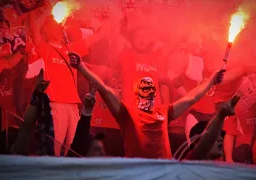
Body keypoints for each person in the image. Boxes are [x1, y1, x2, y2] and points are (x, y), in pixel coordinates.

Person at [69, 51, 225, 159]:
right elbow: (104, 89)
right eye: (144, 87)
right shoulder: (127, 113)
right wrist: (81, 67)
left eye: (151, 87)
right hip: (138, 172)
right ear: (137, 94)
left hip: (163, 172)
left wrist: (211, 80)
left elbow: (192, 97)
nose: (148, 89)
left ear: (155, 93)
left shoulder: (165, 111)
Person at [28, 7, 102, 156]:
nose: (58, 27)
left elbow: (97, 37)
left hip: (73, 106)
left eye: (58, 25)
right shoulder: (45, 47)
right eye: (53, 25)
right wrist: (32, 7)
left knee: (74, 150)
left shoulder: (71, 49)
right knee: (54, 150)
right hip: (55, 104)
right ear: (46, 31)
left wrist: (104, 19)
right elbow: (33, 29)